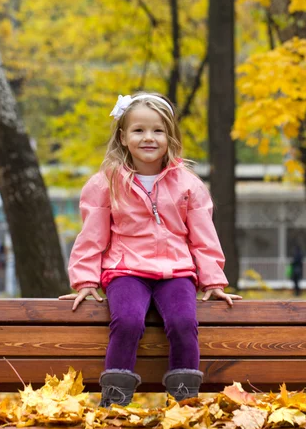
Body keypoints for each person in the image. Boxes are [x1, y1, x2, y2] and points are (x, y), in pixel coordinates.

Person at [59, 92, 241, 407]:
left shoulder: (188, 185)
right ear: (123, 137)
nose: (149, 138)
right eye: (139, 130)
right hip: (126, 270)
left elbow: (203, 238)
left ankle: (185, 399)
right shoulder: (106, 184)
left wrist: (213, 281)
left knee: (183, 322)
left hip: (176, 272)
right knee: (128, 320)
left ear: (170, 137)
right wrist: (86, 281)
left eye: (158, 131)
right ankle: (115, 398)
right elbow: (92, 237)